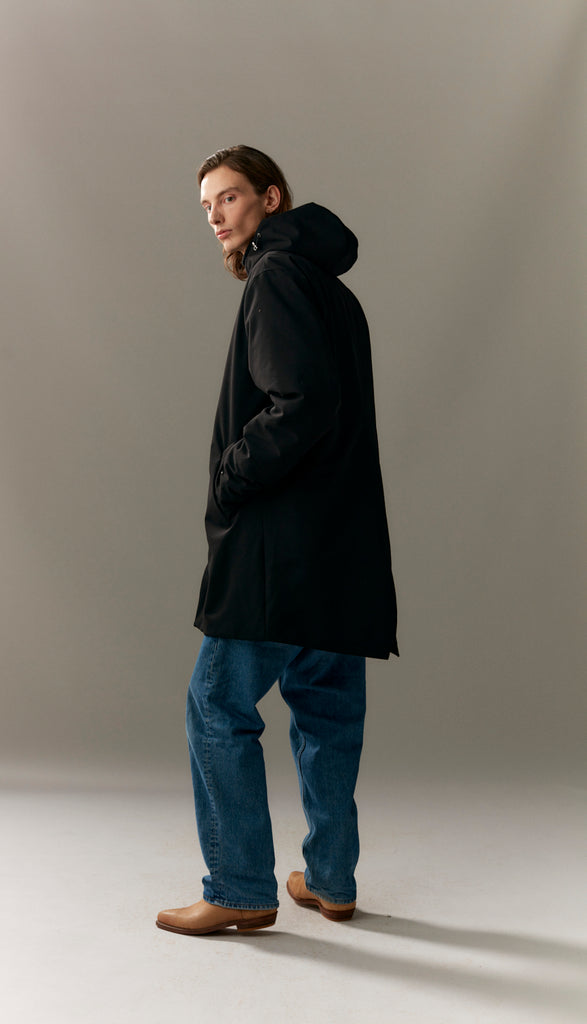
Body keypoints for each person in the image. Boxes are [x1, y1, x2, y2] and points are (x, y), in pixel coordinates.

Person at [156, 146, 398, 936]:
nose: (215, 216)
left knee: (215, 705)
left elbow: (301, 402)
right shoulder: (331, 288)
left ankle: (238, 887)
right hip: (339, 548)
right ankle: (329, 879)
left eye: (227, 197)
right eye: (206, 206)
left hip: (279, 546)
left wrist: (232, 473)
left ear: (270, 196)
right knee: (326, 709)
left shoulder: (274, 275)